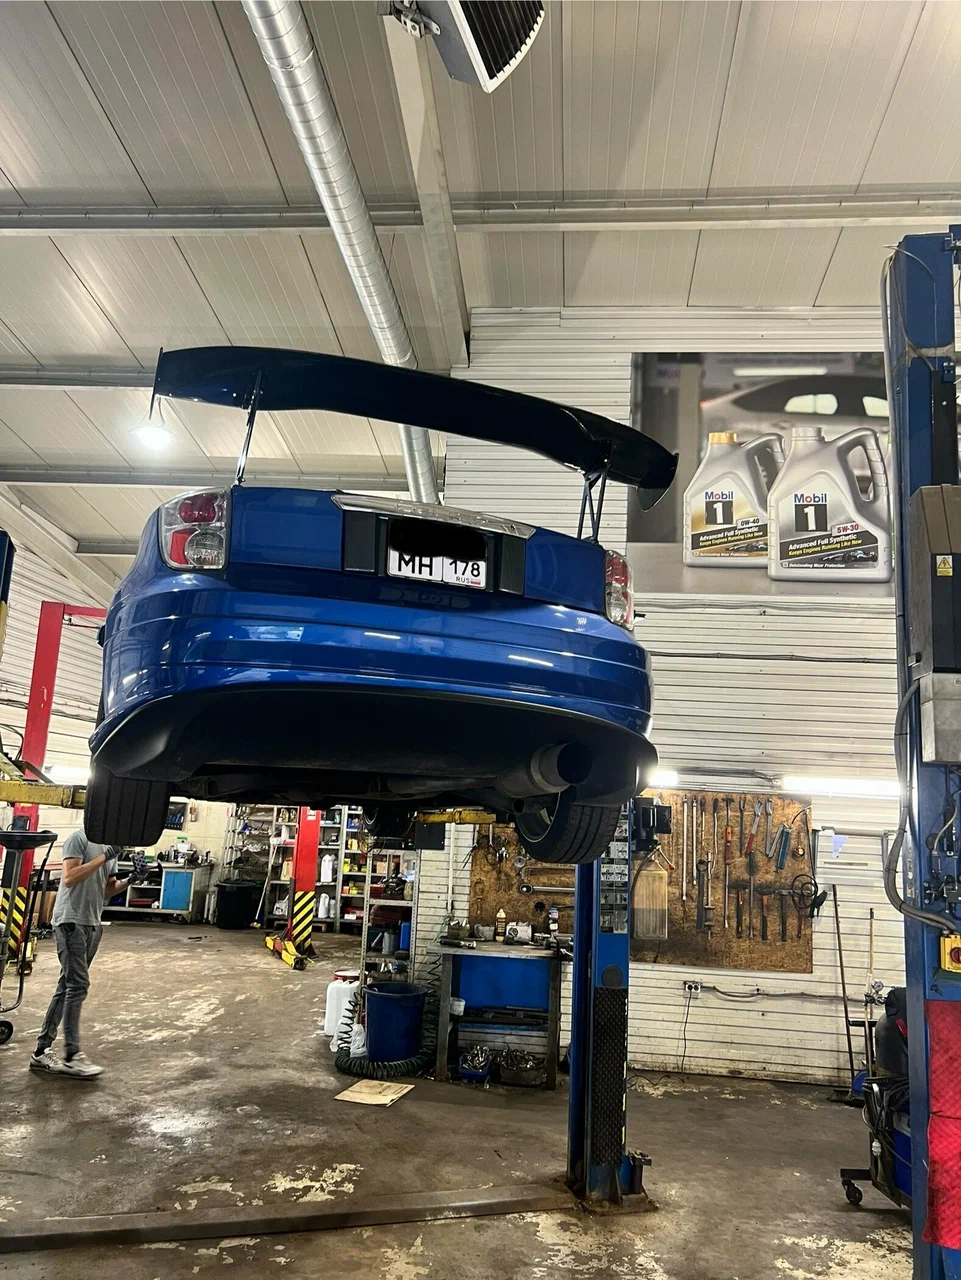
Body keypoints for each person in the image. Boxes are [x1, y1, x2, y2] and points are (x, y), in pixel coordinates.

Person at [29, 830, 128, 1079]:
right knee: (78, 984)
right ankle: (72, 1055)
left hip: (92, 923)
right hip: (70, 921)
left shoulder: (111, 846)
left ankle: (41, 1050)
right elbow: (70, 877)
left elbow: (106, 889)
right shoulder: (79, 838)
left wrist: (131, 880)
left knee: (68, 984)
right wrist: (104, 857)